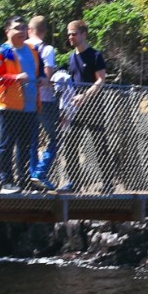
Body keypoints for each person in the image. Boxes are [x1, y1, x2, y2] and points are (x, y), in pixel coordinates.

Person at [48, 19, 111, 192]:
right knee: (70, 144)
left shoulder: (95, 56)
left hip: (93, 107)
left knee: (99, 145)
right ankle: (74, 183)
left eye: (73, 33)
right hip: (74, 108)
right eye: (68, 34)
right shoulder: (71, 57)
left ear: (84, 34)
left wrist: (85, 95)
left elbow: (101, 80)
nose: (70, 37)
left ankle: (107, 183)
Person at [0, 19, 39, 192]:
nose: (22, 31)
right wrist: (15, 78)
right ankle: (6, 180)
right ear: (7, 31)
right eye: (17, 28)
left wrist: (44, 79)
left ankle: (23, 179)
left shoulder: (32, 50)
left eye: (24, 28)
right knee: (7, 143)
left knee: (26, 145)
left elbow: (40, 71)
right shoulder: (1, 53)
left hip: (30, 106)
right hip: (9, 105)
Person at [28, 15, 60, 184]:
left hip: (26, 99)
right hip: (45, 99)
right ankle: (40, 171)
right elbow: (46, 77)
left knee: (31, 140)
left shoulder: (22, 48)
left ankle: (32, 173)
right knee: (56, 137)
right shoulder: (47, 50)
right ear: (45, 31)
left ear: (29, 30)